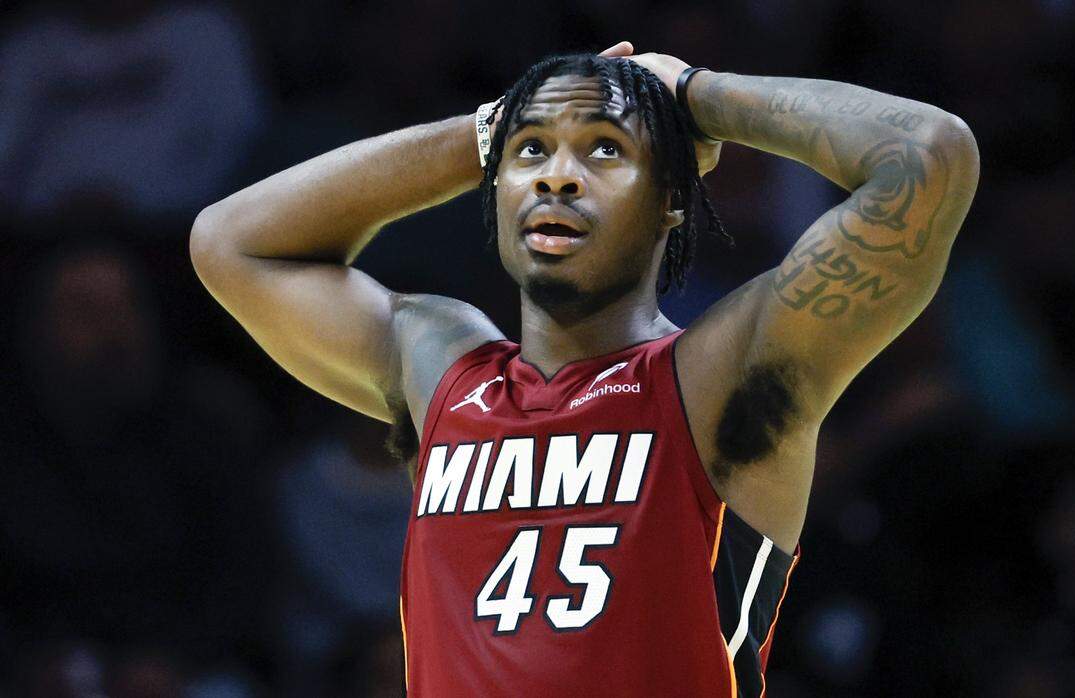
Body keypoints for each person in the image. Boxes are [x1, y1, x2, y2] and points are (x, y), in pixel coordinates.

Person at [190, 40, 979, 696]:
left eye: (607, 148)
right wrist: (482, 134)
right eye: (531, 152)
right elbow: (229, 241)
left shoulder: (717, 373)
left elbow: (929, 158)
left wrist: (696, 96)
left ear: (673, 197)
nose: (557, 176)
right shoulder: (441, 367)